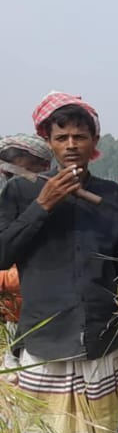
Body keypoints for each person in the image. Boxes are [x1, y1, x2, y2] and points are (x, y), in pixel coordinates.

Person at [0, 92, 118, 433]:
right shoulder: (21, 193)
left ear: (95, 142)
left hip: (101, 328)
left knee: (96, 430)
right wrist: (43, 205)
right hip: (46, 331)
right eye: (62, 138)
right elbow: (3, 252)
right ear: (50, 142)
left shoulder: (113, 195)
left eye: (80, 136)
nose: (72, 145)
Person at [0, 135, 53, 376]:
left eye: (18, 173)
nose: (12, 182)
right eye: (8, 175)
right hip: (16, 301)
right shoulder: (9, 198)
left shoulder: (55, 198)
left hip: (45, 302)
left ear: (44, 167)